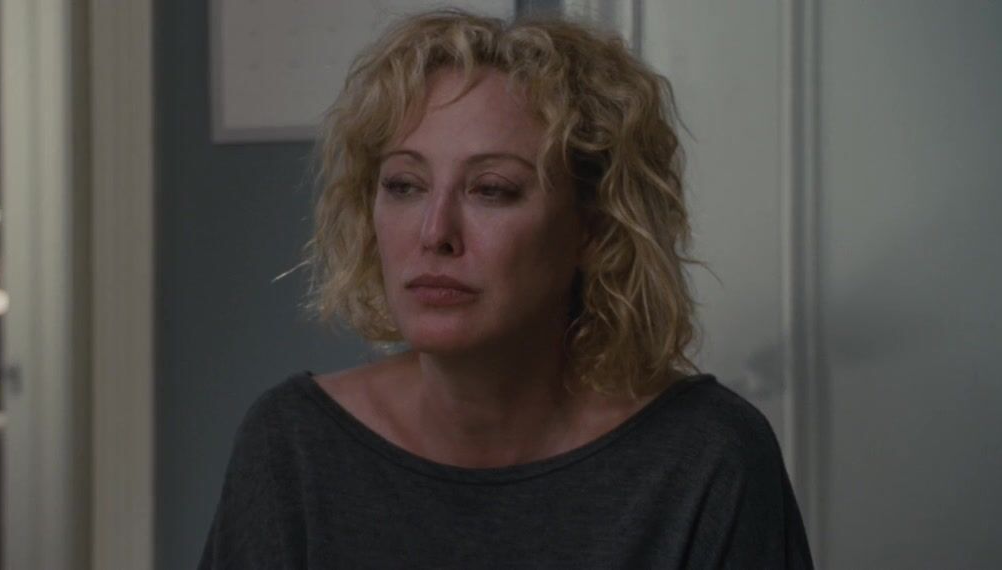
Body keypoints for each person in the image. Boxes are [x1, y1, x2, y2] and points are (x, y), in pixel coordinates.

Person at [201, 8, 812, 569]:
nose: (435, 233)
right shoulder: (293, 447)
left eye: (491, 189)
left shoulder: (708, 458)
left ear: (594, 229)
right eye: (405, 185)